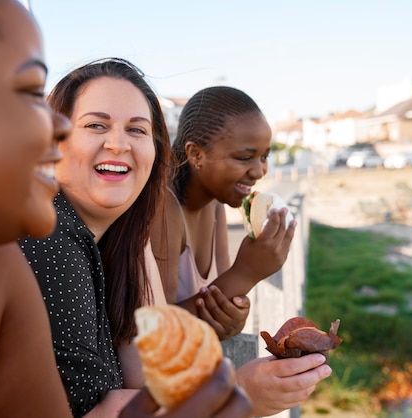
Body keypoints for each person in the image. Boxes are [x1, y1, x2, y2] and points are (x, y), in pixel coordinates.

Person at [0, 2, 251, 418]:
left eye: (137, 130)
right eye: (27, 92)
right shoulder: (35, 252)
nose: (56, 125)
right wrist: (246, 389)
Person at [19, 58, 251, 417]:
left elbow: (152, 375)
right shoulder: (47, 238)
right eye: (96, 125)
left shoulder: (97, 237)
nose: (118, 144)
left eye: (138, 130)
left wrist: (133, 223)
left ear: (156, 153)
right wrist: (250, 394)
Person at [150, 85, 333, 416]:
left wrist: (234, 316)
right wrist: (249, 272)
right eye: (245, 157)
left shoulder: (216, 206)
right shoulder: (163, 211)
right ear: (195, 155)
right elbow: (154, 331)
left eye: (265, 156)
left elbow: (219, 297)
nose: (259, 171)